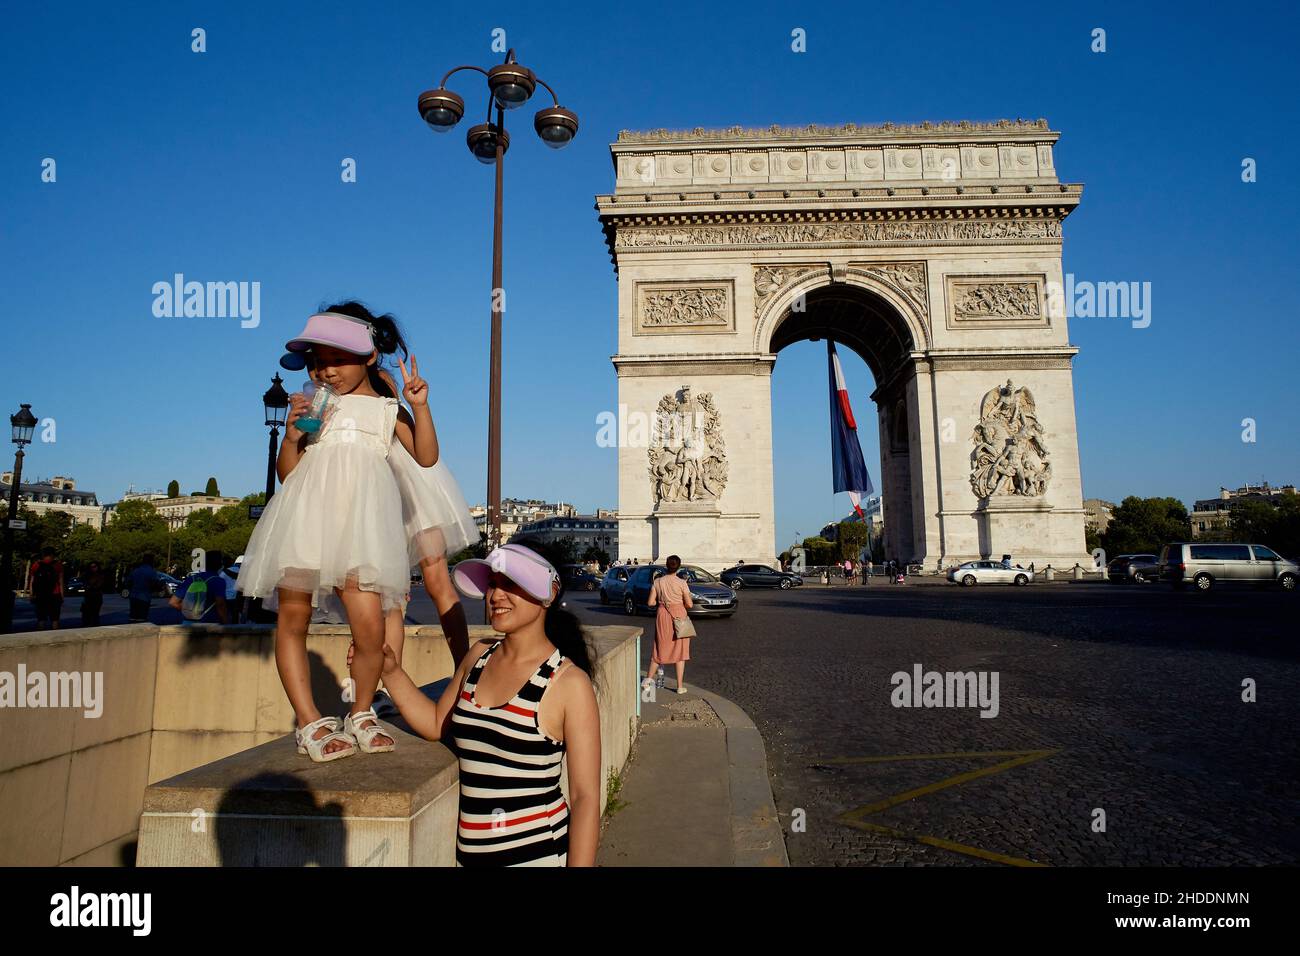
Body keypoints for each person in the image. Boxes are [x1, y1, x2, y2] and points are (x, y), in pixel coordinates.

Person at [237, 305, 432, 762]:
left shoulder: (387, 409)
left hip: (362, 528)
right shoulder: (313, 407)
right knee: (293, 618)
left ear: (368, 357)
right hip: (306, 518)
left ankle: (360, 711)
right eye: (316, 360)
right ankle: (309, 721)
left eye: (337, 358)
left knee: (369, 628)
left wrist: (420, 408)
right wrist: (290, 438)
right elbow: (291, 475)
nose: (326, 370)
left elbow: (425, 457)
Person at [379, 539, 601, 866]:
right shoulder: (479, 655)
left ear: (548, 593)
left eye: (510, 584)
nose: (495, 596)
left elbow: (585, 799)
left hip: (538, 856)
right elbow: (435, 724)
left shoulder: (569, 683)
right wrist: (391, 671)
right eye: (492, 584)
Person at [644, 554, 694, 694]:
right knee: (680, 651)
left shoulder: (658, 582)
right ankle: (679, 686)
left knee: (659, 648)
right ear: (678, 567)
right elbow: (689, 604)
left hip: (662, 615)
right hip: (679, 615)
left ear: (666, 565)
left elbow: (650, 603)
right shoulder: (682, 583)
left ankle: (647, 682)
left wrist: (661, 603)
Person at [168, 550, 230, 624]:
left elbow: (173, 602)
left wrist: (191, 611)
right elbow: (220, 605)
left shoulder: (191, 579)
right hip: (209, 624)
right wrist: (226, 623)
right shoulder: (218, 581)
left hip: (187, 623)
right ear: (220, 564)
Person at [28, 548, 64, 630]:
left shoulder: (36, 565)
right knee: (55, 619)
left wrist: (31, 594)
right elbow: (61, 582)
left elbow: (32, 581)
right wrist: (62, 596)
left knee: (41, 619)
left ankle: (41, 638)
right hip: (55, 594)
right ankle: (56, 638)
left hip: (41, 595)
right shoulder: (58, 565)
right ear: (52, 555)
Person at [127, 555, 159, 622]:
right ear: (151, 561)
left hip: (134, 596)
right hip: (144, 596)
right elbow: (155, 583)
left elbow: (128, 582)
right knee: (142, 618)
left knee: (132, 617)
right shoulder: (151, 571)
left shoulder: (136, 570)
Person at [80, 561, 106, 626]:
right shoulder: (86, 574)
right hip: (88, 596)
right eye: (91, 567)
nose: (93, 568)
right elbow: (85, 584)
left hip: (97, 595)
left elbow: (100, 585)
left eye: (94, 566)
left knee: (95, 613)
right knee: (86, 613)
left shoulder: (100, 574)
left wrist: (91, 585)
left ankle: (94, 624)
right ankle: (87, 624)